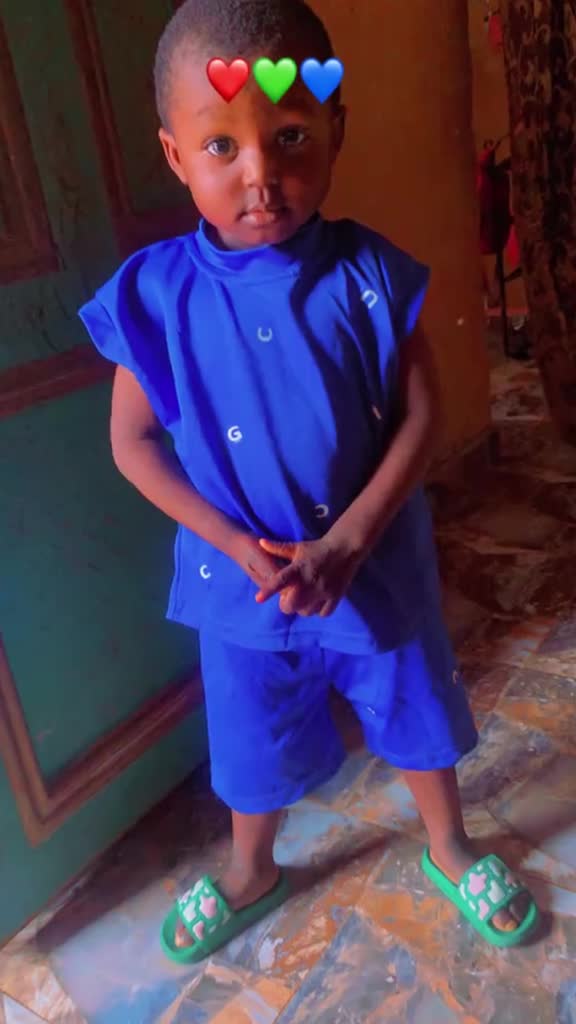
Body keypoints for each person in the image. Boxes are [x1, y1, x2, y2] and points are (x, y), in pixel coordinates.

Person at [79, 0, 538, 962]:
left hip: (373, 566)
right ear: (175, 156)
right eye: (222, 146)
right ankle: (252, 867)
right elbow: (132, 444)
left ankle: (449, 846)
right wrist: (230, 541)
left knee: (414, 707)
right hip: (239, 584)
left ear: (336, 128)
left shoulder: (372, 275)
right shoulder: (157, 296)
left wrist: (352, 540)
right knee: (250, 739)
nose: (261, 174)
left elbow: (423, 416)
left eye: (290, 135)